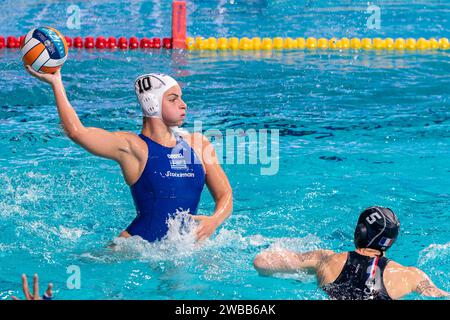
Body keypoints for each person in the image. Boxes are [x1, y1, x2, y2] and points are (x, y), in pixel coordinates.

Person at [24, 66, 233, 243]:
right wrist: (56, 83)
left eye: (181, 98)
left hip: (184, 248)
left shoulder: (198, 144)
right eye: (173, 99)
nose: (183, 104)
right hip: (135, 250)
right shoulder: (133, 148)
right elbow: (77, 132)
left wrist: (214, 221)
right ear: (152, 103)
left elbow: (225, 195)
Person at [253, 206, 449, 300]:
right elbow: (440, 295)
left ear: (359, 232)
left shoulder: (326, 259)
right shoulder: (411, 275)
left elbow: (261, 262)